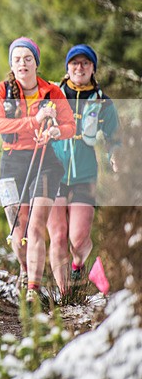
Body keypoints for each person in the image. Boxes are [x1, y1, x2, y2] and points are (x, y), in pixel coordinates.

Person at [0, 37, 75, 302]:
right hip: (11, 162)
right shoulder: (2, 91)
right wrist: (33, 121)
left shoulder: (52, 92)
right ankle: (25, 268)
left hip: (45, 161)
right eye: (17, 59)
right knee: (18, 233)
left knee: (36, 226)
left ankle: (33, 290)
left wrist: (55, 131)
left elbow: (70, 126)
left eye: (28, 59)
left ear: (36, 63)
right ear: (11, 65)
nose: (22, 64)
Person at [47, 44, 120, 295]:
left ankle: (77, 266)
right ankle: (64, 294)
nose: (80, 67)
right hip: (53, 173)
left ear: (93, 68)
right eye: (75, 63)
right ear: (67, 67)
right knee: (58, 236)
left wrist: (115, 154)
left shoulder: (102, 102)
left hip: (85, 174)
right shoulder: (52, 96)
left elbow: (114, 138)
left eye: (85, 63)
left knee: (78, 239)